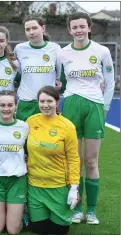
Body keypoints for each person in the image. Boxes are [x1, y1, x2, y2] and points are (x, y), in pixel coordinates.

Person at [57, 12, 115, 225]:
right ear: (70, 30)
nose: (79, 30)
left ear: (89, 27)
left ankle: (91, 211)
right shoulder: (62, 54)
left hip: (94, 106)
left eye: (82, 26)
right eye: (75, 27)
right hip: (72, 104)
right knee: (75, 161)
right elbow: (58, 80)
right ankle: (75, 209)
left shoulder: (102, 51)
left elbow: (109, 81)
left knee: (91, 160)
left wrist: (105, 106)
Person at [26, 86, 80, 235]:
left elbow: (74, 158)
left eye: (49, 101)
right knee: (39, 230)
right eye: (42, 101)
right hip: (34, 187)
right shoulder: (31, 121)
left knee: (58, 231)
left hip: (58, 187)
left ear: (57, 102)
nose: (45, 105)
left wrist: (74, 187)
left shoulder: (67, 126)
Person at [0, 90, 29, 234]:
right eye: (2, 105)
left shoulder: (24, 126)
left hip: (17, 179)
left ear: (16, 106)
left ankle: (24, 216)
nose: (6, 108)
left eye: (10, 105)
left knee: (12, 230)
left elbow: (29, 152)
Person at [14, 15, 62, 121]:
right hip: (26, 103)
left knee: (48, 137)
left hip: (47, 103)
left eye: (34, 28)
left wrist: (58, 82)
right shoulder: (19, 49)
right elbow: (16, 73)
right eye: (28, 29)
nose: (31, 32)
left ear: (43, 28)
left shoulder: (55, 48)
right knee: (24, 137)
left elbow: (60, 73)